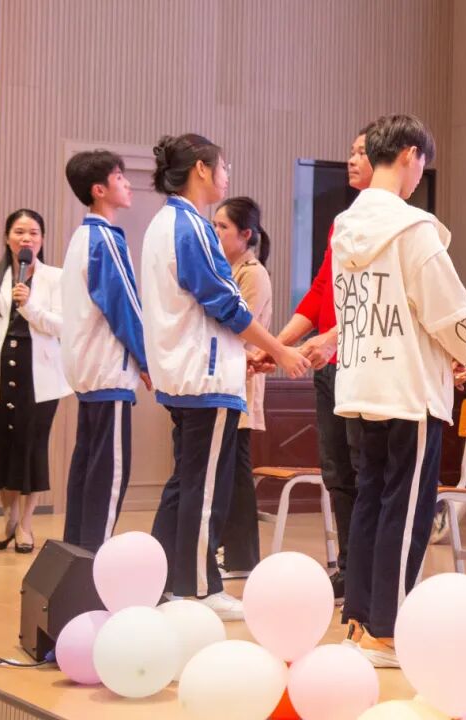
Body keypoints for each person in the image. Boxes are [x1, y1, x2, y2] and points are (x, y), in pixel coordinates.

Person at [332, 114, 466, 667]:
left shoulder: (345, 226)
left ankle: (360, 621)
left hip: (361, 382)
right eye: (422, 163)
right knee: (406, 509)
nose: (421, 175)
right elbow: (449, 313)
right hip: (409, 388)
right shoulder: (412, 228)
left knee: (370, 500)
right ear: (409, 155)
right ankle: (387, 631)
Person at [141, 133, 310, 621]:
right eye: (223, 166)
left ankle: (163, 581)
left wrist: (258, 353)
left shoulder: (163, 223)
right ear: (201, 169)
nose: (226, 174)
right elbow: (224, 304)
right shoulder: (190, 226)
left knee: (185, 481)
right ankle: (198, 587)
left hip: (185, 373)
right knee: (204, 489)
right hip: (205, 377)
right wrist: (278, 349)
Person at [256, 125, 375, 602]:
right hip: (328, 366)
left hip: (362, 365)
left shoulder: (394, 224)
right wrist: (276, 345)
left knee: (365, 471)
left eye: (362, 153)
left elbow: (371, 301)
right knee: (336, 472)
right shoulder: (342, 222)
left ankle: (369, 572)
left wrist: (328, 339)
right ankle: (349, 565)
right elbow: (322, 289)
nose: (352, 160)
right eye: (351, 151)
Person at [0, 209, 72, 554]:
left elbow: (64, 325)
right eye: (20, 231)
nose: (26, 238)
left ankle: (26, 524)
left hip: (39, 374)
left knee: (32, 447)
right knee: (4, 446)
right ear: (7, 237)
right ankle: (8, 521)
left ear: (42, 239)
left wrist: (30, 306)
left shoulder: (56, 277)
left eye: (34, 233)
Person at [59, 150, 149, 554]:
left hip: (87, 371)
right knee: (110, 475)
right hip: (108, 372)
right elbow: (124, 306)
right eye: (119, 178)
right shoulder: (105, 239)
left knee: (87, 470)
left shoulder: (81, 237)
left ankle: (76, 555)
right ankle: (96, 562)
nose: (127, 184)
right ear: (99, 190)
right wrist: (148, 360)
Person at [213, 196, 272, 578]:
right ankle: (231, 552)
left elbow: (240, 327)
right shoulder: (224, 268)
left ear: (245, 234)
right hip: (224, 379)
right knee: (227, 471)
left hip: (241, 382)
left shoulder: (252, 274)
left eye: (223, 227)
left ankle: (243, 557)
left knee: (236, 473)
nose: (216, 232)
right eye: (214, 225)